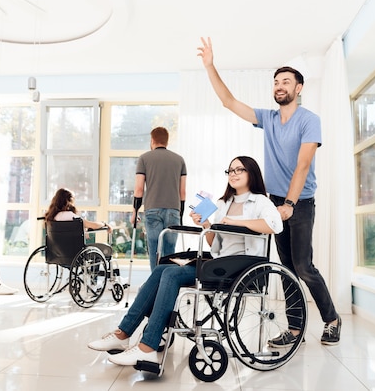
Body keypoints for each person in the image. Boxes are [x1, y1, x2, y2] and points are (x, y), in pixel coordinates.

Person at [197, 37, 342, 346]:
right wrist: (210, 66)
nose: (279, 86)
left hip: (299, 203)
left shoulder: (309, 120)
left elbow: (303, 165)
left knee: (303, 266)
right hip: (273, 203)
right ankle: (295, 330)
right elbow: (229, 102)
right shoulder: (269, 118)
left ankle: (331, 319)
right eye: (276, 82)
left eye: (285, 82)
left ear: (298, 88)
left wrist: (289, 203)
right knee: (286, 268)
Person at [87, 156, 283, 366]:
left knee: (171, 274)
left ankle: (147, 347)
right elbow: (214, 242)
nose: (233, 174)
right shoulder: (223, 203)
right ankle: (123, 333)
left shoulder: (261, 201)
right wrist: (207, 224)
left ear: (251, 173)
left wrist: (235, 221)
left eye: (239, 170)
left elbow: (274, 225)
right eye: (230, 171)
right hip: (220, 262)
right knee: (163, 268)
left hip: (242, 266)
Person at [133, 127, 187, 271]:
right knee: (170, 252)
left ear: (152, 140)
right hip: (173, 210)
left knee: (155, 250)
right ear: (167, 141)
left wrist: (135, 212)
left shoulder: (144, 158)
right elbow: (183, 192)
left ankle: (155, 284)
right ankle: (166, 283)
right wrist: (180, 214)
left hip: (152, 210)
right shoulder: (179, 160)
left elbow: (139, 189)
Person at [44, 187, 113, 256]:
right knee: (102, 249)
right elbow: (94, 225)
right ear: (69, 201)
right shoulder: (71, 217)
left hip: (57, 254)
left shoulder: (52, 218)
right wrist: (104, 223)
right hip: (74, 253)